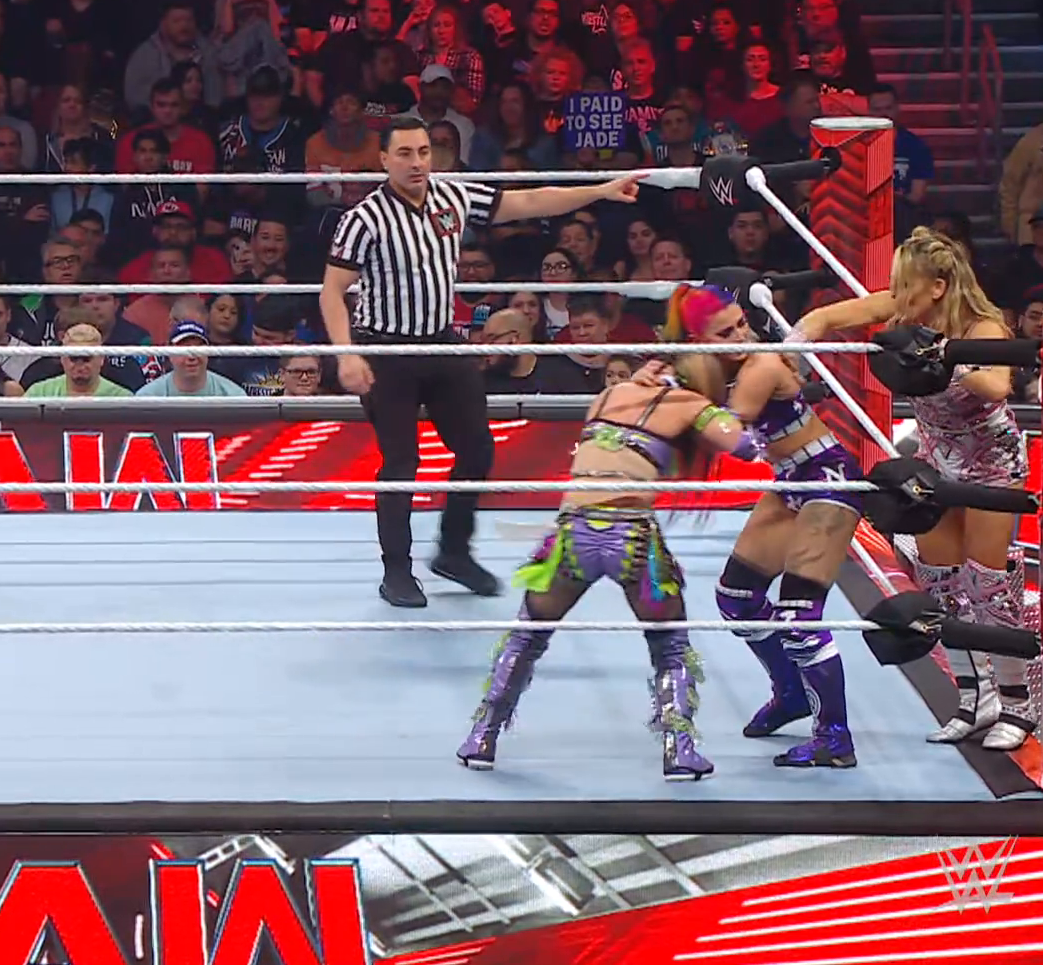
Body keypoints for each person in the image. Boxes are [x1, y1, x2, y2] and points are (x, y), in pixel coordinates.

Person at [321, 114, 640, 608]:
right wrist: (347, 355)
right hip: (385, 350)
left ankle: (454, 551)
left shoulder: (453, 196)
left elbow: (528, 202)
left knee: (477, 448)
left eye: (423, 152)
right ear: (383, 159)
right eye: (404, 153)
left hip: (441, 343)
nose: (416, 162)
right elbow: (332, 291)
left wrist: (599, 190)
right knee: (402, 462)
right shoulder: (364, 219)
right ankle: (396, 571)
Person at [459, 352, 764, 780]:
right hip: (631, 537)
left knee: (528, 633)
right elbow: (745, 447)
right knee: (670, 644)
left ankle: (481, 737)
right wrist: (744, 401)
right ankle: (679, 750)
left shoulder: (609, 395)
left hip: (573, 534)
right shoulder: (691, 405)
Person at [793, 228, 1030, 750]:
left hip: (991, 465)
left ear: (938, 287)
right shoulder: (905, 312)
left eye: (906, 284)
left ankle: (1017, 704)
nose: (896, 295)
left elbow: (998, 386)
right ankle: (975, 697)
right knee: (940, 582)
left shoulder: (983, 327)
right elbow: (831, 316)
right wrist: (798, 341)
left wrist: (945, 357)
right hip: (936, 461)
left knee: (988, 582)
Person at [656, 284, 862, 769]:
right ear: (699, 340)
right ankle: (791, 693)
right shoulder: (710, 367)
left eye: (741, 324)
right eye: (725, 332)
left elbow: (730, 431)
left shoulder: (762, 365)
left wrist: (668, 401)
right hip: (790, 480)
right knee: (737, 598)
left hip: (828, 480)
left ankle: (835, 738)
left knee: (798, 618)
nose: (741, 336)